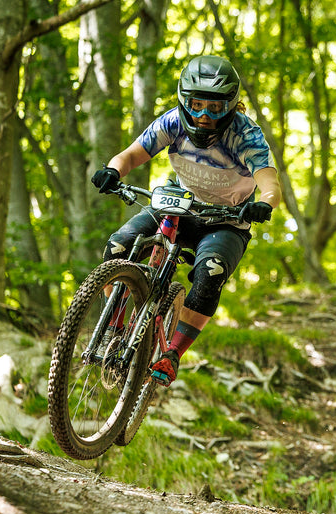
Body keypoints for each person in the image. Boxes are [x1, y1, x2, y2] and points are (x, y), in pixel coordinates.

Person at [90, 55, 281, 386]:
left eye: (216, 108)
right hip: (178, 204)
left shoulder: (245, 135)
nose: (205, 116)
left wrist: (264, 204)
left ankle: (172, 353)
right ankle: (115, 328)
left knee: (211, 273)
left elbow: (269, 182)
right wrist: (113, 170)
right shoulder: (173, 122)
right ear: (184, 100)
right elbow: (133, 154)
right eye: (196, 105)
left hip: (226, 220)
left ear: (232, 106)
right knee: (117, 246)